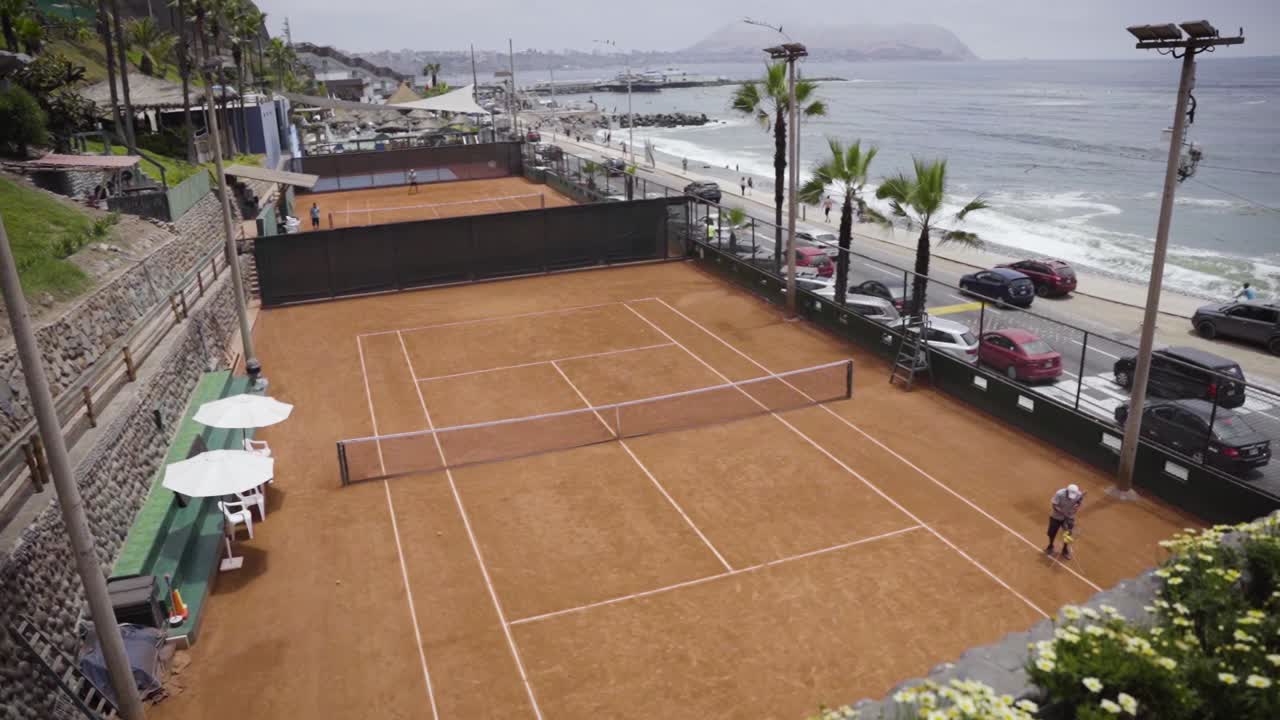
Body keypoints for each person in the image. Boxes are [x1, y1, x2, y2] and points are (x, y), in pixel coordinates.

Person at [1046, 484, 1085, 559]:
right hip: (1056, 516)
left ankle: (1065, 550)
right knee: (1051, 533)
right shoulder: (1059, 494)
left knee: (1068, 534)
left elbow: (1079, 501)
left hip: (1069, 517)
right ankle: (1050, 545)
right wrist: (1062, 512)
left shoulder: (1078, 494)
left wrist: (1077, 505)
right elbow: (1054, 505)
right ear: (1067, 491)